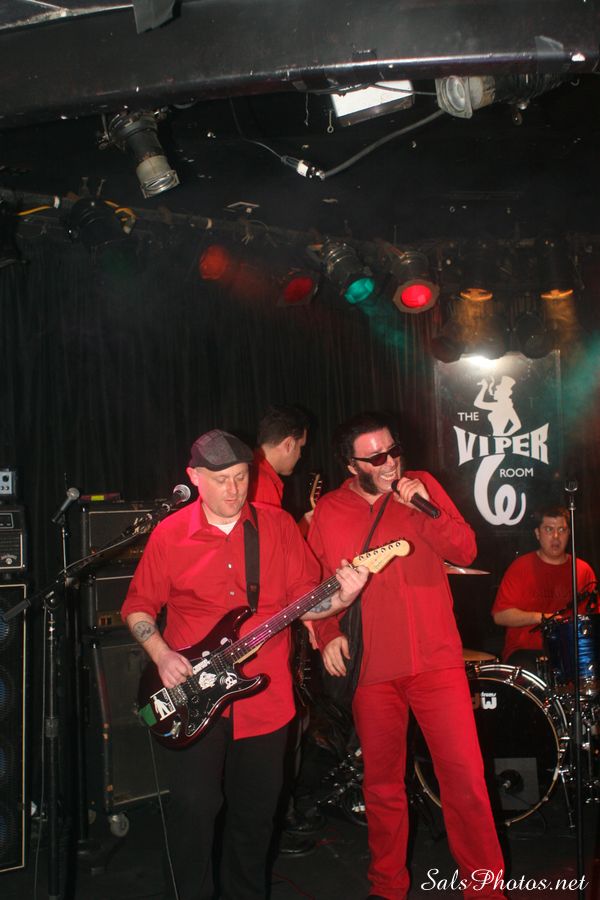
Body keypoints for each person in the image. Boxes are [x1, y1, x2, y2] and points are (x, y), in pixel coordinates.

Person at [121, 428, 368, 900]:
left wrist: (343, 597)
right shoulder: (170, 534)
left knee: (255, 819)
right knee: (195, 811)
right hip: (190, 697)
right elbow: (137, 607)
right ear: (194, 477)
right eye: (221, 480)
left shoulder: (277, 525)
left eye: (241, 477)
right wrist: (162, 654)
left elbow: (307, 602)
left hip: (265, 701)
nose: (234, 490)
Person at [308, 411, 506, 900]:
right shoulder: (330, 511)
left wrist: (424, 508)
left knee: (464, 779)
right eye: (375, 458)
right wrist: (327, 632)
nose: (390, 463)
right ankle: (388, 886)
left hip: (436, 661)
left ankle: (486, 890)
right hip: (372, 667)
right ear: (351, 465)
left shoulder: (423, 488)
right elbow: (316, 588)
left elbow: (465, 550)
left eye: (393, 451)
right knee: (381, 786)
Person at [492, 504, 597, 669]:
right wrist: (541, 618)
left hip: (571, 652)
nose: (556, 536)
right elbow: (500, 616)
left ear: (569, 533)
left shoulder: (582, 570)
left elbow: (593, 618)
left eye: (562, 530)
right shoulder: (520, 567)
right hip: (526, 652)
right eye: (549, 529)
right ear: (537, 534)